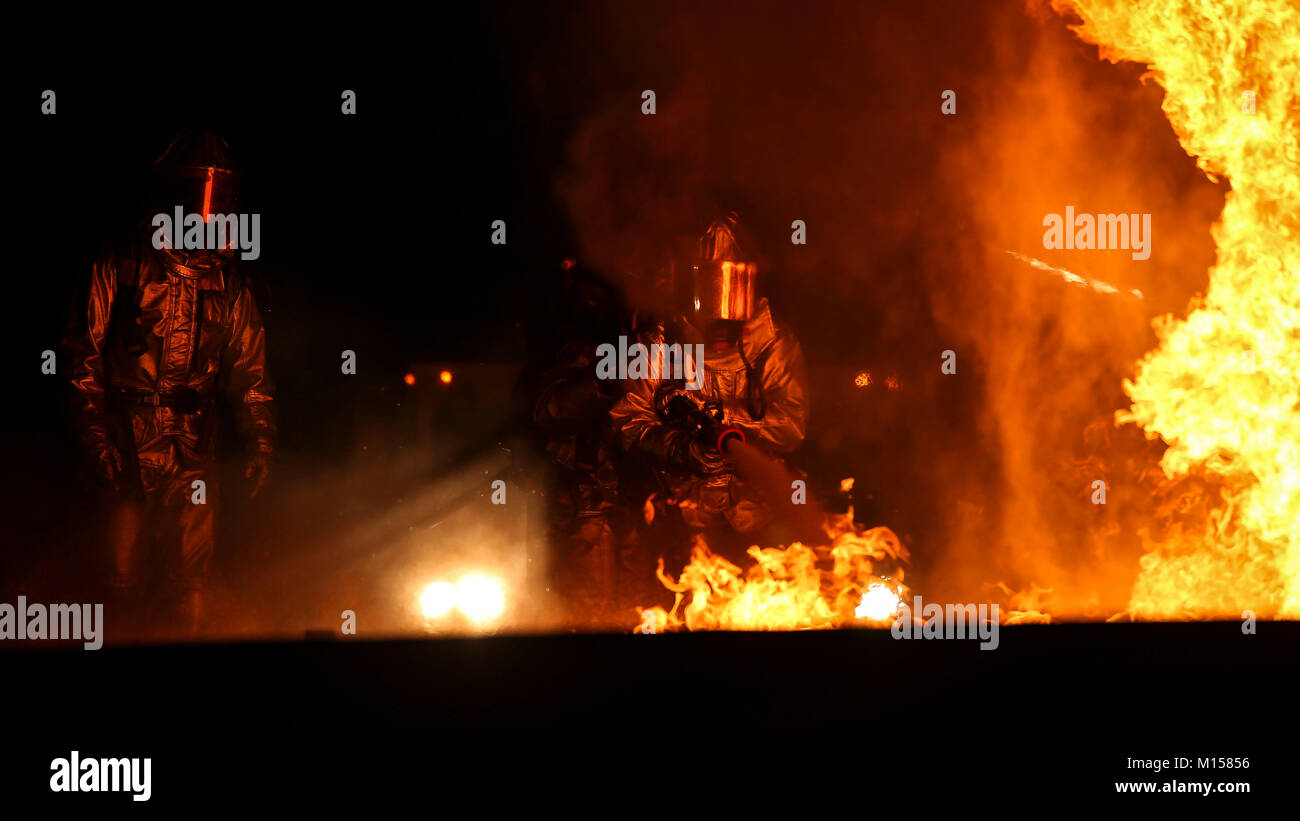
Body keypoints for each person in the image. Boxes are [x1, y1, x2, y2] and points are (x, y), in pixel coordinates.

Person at [63, 129, 275, 629]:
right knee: (118, 582)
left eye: (217, 197)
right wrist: (96, 443)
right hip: (124, 440)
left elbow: (251, 374)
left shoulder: (229, 283)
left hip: (193, 449)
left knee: (190, 582)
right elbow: (79, 362)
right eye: (196, 194)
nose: (206, 211)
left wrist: (261, 442)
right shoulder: (123, 263)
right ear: (169, 197)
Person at [610, 212, 810, 569]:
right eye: (712, 312)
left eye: (731, 314)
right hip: (680, 514)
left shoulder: (774, 342)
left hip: (757, 517)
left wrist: (728, 420)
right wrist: (680, 448)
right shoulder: (661, 339)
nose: (721, 328)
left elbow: (792, 426)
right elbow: (628, 420)